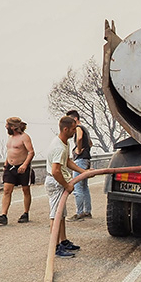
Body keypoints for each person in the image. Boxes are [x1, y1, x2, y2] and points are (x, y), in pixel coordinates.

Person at [46, 116, 88, 258]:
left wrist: (84, 172)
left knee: (61, 215)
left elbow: (67, 161)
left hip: (60, 182)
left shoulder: (65, 143)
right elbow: (56, 171)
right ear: (65, 129)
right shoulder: (58, 146)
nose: (74, 132)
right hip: (56, 182)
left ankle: (63, 242)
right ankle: (55, 247)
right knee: (55, 216)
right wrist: (67, 185)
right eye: (72, 129)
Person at [0, 116, 34, 225]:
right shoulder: (10, 138)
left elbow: (31, 152)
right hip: (10, 167)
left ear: (13, 127)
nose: (6, 127)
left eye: (7, 125)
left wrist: (25, 165)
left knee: (25, 190)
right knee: (6, 190)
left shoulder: (25, 137)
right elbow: (10, 152)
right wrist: (6, 164)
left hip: (23, 167)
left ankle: (25, 213)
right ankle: (3, 215)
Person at [66, 109, 93, 220]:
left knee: (77, 186)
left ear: (75, 119)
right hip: (86, 158)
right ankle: (87, 211)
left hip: (80, 159)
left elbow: (80, 137)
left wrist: (78, 148)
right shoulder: (85, 128)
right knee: (85, 186)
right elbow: (90, 143)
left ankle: (79, 213)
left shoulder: (78, 128)